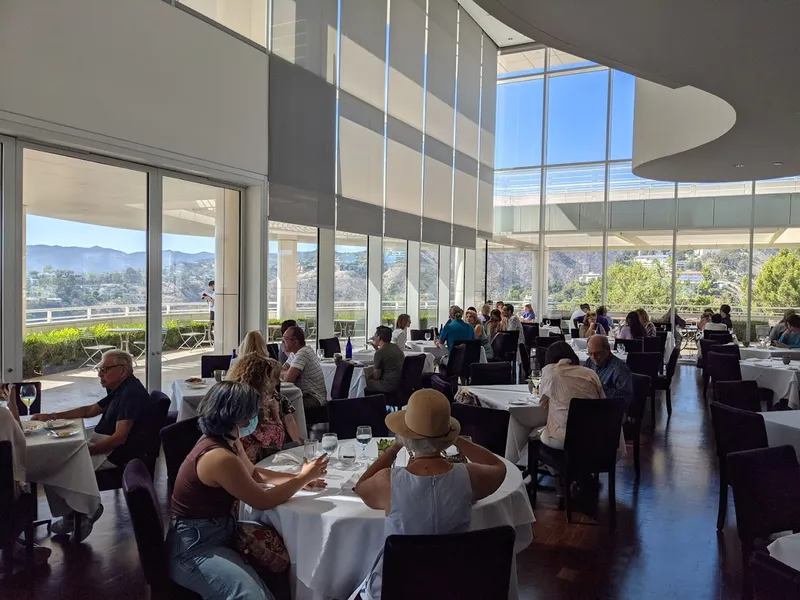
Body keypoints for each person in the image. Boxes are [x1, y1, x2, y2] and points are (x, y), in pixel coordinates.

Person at [167, 381, 328, 600]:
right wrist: (304, 477)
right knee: (253, 596)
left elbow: (253, 473)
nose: (257, 416)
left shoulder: (227, 441)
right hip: (195, 548)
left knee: (287, 547)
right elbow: (262, 500)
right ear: (239, 415)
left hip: (218, 530)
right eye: (254, 411)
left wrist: (298, 480)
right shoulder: (219, 457)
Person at [349, 389, 506, 600]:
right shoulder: (469, 477)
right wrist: (456, 440)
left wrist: (394, 448)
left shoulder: (388, 482)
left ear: (406, 436)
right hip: (456, 588)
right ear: (447, 436)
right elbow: (498, 466)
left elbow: (361, 486)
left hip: (397, 590)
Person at [32, 349, 150, 541]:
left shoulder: (131, 393)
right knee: (54, 453)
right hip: (102, 441)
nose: (99, 374)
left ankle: (89, 509)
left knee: (53, 462)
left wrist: (85, 451)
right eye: (100, 369)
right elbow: (90, 410)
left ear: (123, 370)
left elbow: (120, 438)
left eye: (104, 369)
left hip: (115, 453)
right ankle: (71, 515)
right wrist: (51, 417)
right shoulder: (120, 388)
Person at [0, 386, 52, 570]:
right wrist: (12, 406)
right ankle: (12, 544)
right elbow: (20, 443)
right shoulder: (3, 415)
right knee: (19, 485)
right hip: (2, 500)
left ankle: (13, 546)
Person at [227, 353, 302, 462]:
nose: (274, 383)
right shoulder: (250, 407)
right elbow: (275, 440)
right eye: (269, 380)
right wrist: (275, 413)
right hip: (253, 462)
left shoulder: (239, 399)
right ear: (258, 381)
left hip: (248, 461)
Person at [536, 342, 605, 449]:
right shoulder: (591, 373)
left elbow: (543, 405)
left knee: (533, 432)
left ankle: (519, 463)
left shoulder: (550, 371)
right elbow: (603, 402)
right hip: (593, 436)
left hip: (563, 439)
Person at [280, 326, 327, 410]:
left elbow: (288, 379)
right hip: (305, 395)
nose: (283, 343)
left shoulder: (303, 353)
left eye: (285, 340)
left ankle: (296, 423)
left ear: (295, 342)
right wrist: (287, 372)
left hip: (314, 398)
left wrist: (287, 372)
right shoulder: (294, 353)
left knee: (281, 407)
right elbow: (280, 370)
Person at [585, 336, 634, 409]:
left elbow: (625, 399)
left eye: (598, 353)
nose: (593, 357)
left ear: (607, 350)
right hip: (592, 405)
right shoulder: (590, 362)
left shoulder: (620, 368)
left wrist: (599, 387)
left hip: (611, 410)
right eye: (590, 353)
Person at [365, 326, 406, 394]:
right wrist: (376, 348)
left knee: (363, 382)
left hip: (388, 386)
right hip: (401, 383)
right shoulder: (395, 347)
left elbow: (376, 377)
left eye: (375, 335)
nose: (373, 337)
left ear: (379, 337)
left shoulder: (380, 353)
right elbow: (385, 357)